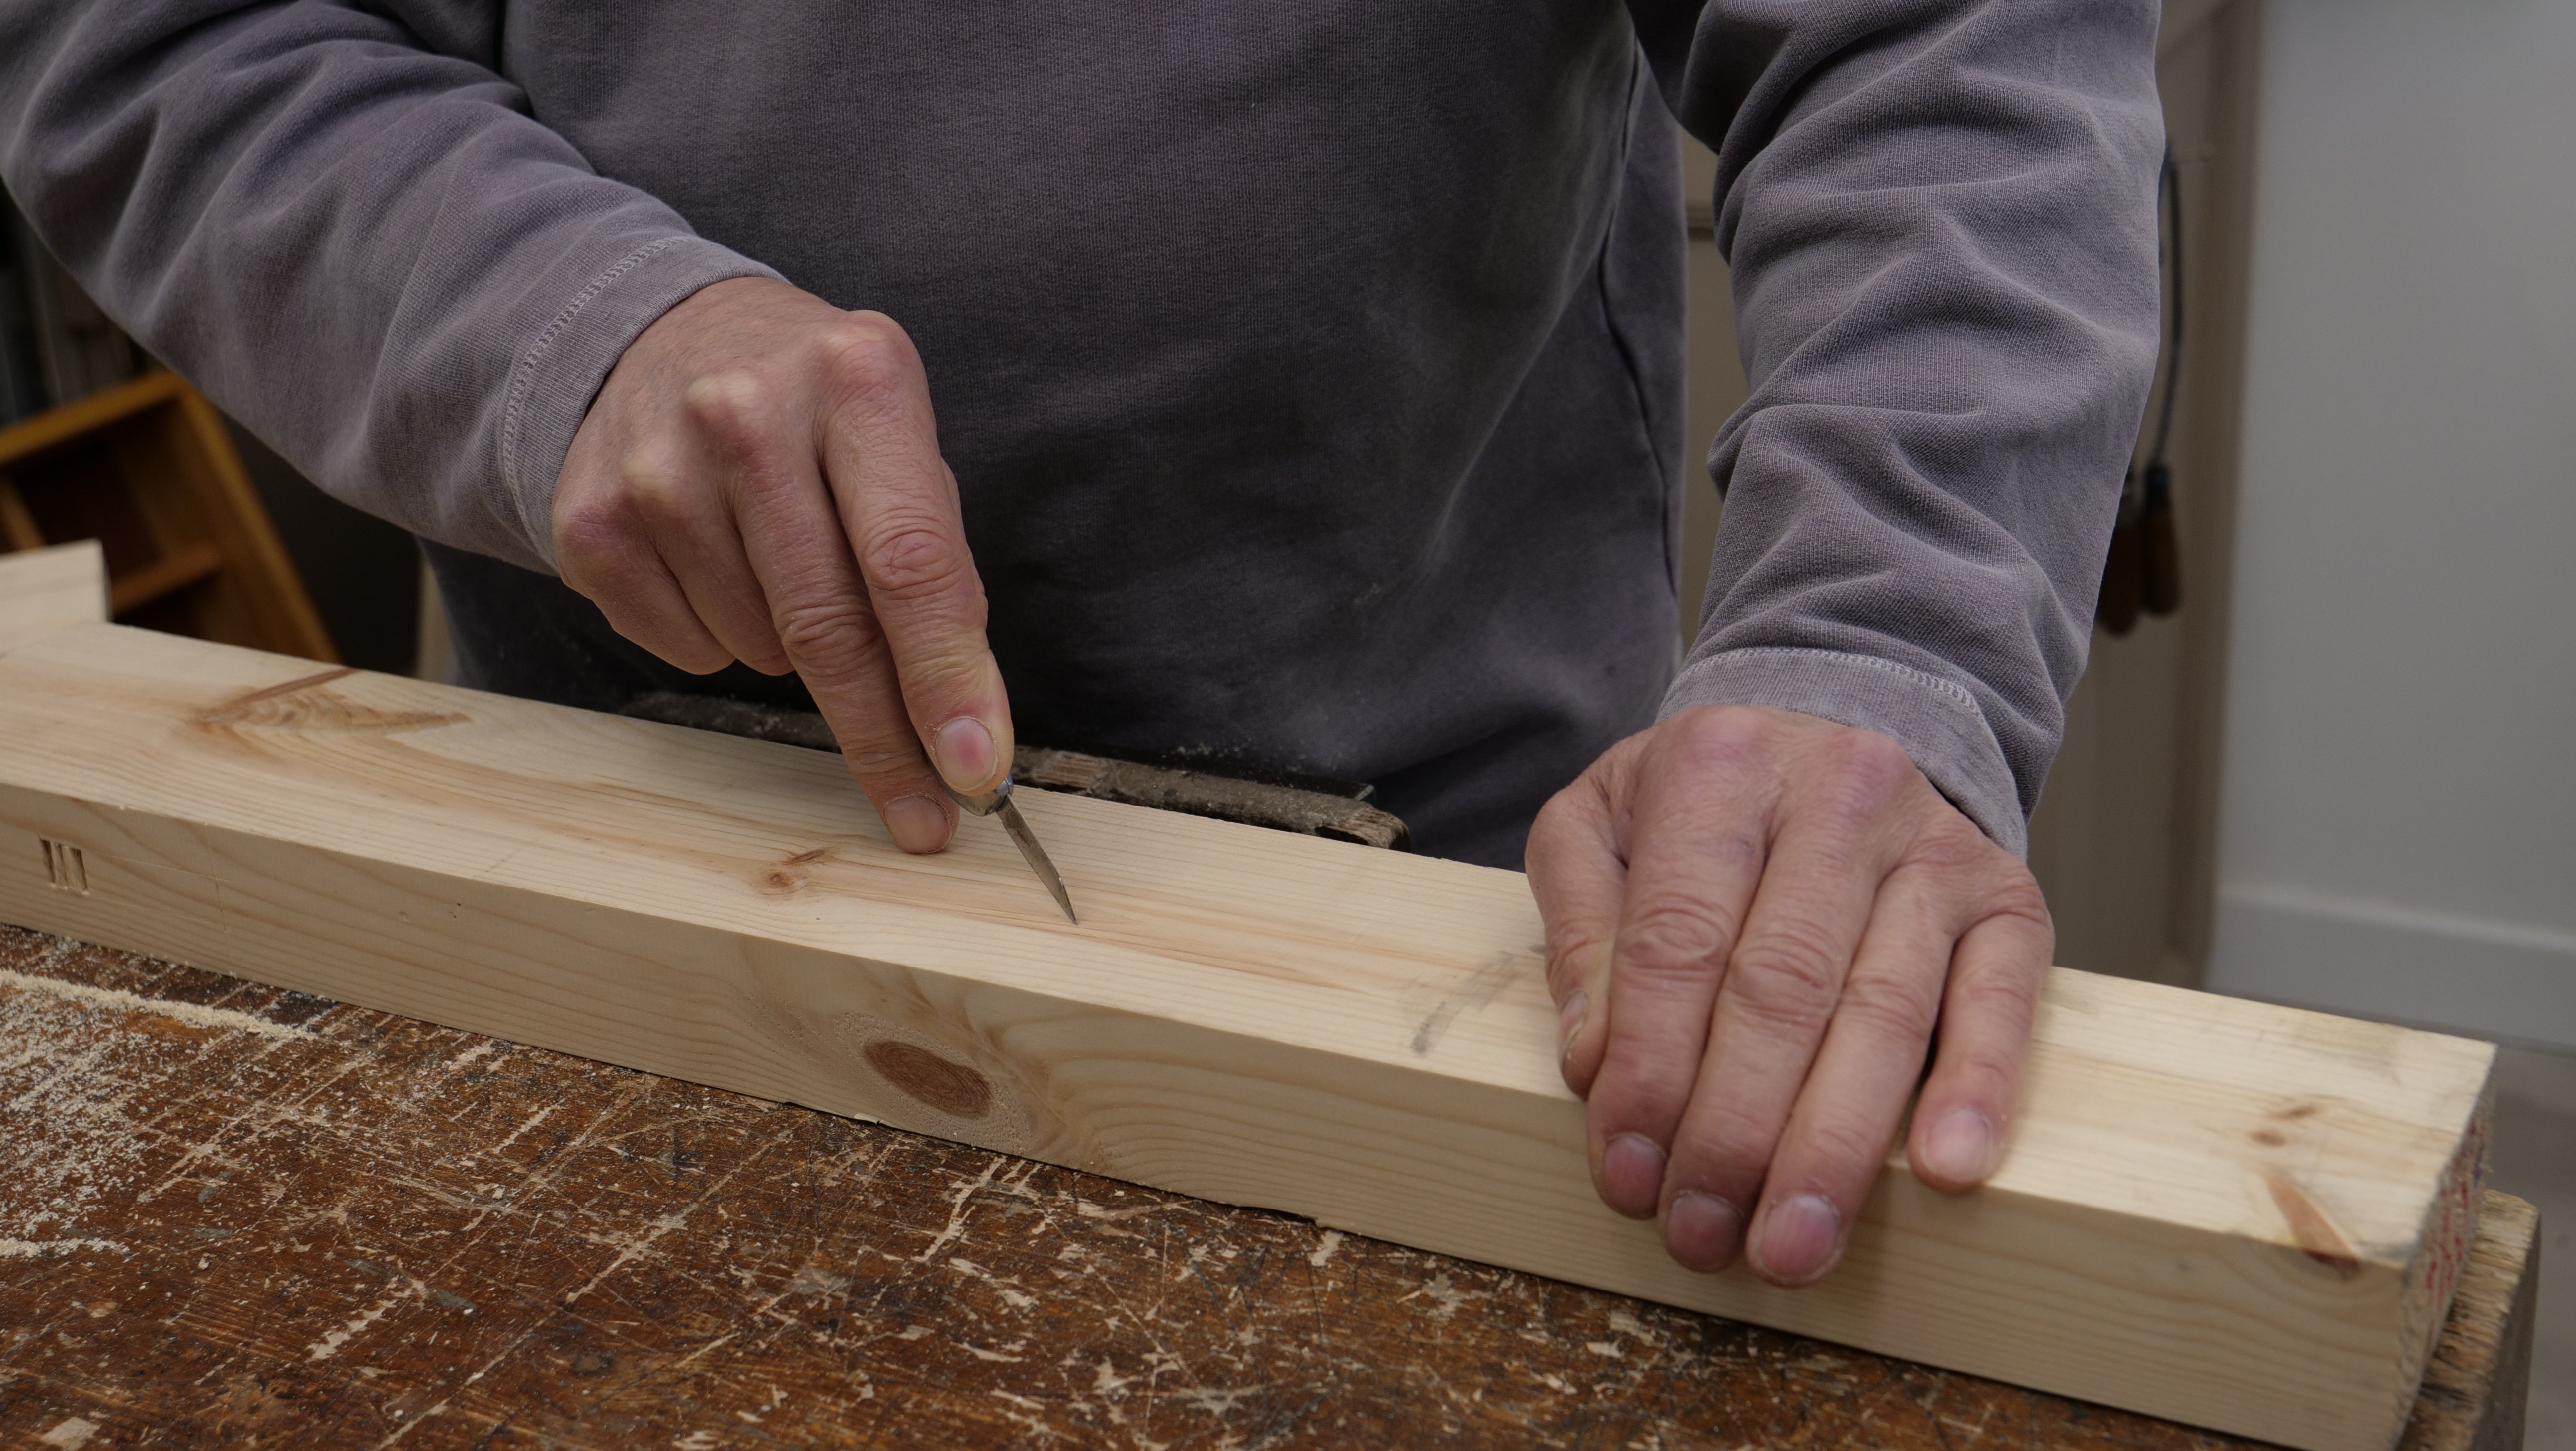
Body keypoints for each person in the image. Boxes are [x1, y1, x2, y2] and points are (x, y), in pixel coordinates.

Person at [0, 0, 2161, 1288]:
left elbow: (1939, 41)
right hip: (624, 846)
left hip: (1468, 917)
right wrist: (567, 331)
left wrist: (1883, 628)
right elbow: (167, 38)